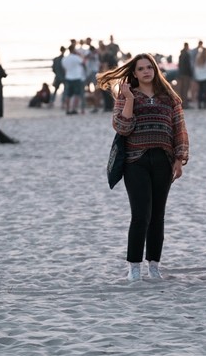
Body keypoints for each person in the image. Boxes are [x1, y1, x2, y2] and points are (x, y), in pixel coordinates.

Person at [97, 53, 189, 281]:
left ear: (155, 70)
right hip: (135, 161)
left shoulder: (169, 97)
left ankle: (154, 265)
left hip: (163, 161)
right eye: (141, 68)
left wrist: (179, 158)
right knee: (140, 215)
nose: (146, 71)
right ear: (135, 73)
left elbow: (179, 128)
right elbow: (122, 127)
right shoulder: (127, 95)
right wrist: (128, 99)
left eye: (150, 67)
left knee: (158, 216)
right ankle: (134, 267)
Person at [61, 45, 85, 115]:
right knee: (76, 94)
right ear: (73, 50)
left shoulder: (65, 59)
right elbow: (83, 62)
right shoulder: (76, 58)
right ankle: (74, 109)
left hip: (68, 77)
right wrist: (80, 55)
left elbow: (64, 68)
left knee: (68, 94)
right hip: (77, 77)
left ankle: (68, 109)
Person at [177, 42, 193, 108]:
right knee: (185, 90)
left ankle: (182, 104)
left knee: (182, 89)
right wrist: (191, 74)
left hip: (181, 74)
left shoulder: (181, 54)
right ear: (187, 46)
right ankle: (185, 104)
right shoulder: (187, 54)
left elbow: (179, 65)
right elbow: (188, 66)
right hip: (186, 74)